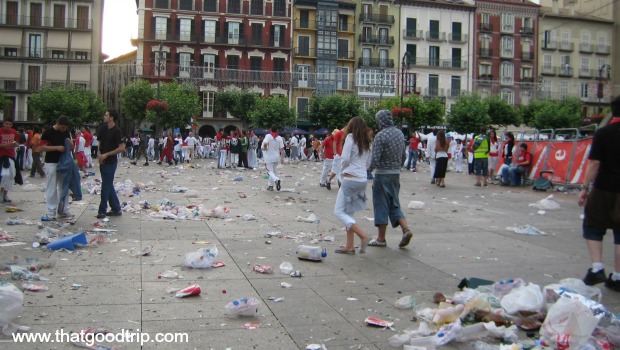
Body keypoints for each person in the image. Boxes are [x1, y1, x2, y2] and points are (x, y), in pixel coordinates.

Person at [579, 95, 620, 291]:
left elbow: (595, 163)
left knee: (593, 225)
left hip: (604, 187)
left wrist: (585, 188)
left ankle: (597, 268)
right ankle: (618, 276)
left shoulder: (604, 133)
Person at [368, 110, 413, 248]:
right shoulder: (400, 133)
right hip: (395, 174)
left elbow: (375, 158)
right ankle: (406, 229)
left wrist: (367, 170)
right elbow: (403, 156)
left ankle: (381, 239)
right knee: (394, 203)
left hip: (382, 174)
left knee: (381, 204)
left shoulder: (381, 136)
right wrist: (397, 167)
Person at [333, 117, 371, 254]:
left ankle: (363, 235)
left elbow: (345, 158)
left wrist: (342, 170)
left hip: (351, 179)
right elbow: (368, 163)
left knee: (338, 211)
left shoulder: (350, 138)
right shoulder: (367, 141)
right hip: (362, 179)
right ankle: (349, 246)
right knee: (349, 213)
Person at [40, 116, 72, 220]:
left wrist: (71, 144)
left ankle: (63, 210)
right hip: (51, 162)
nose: (64, 129)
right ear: (57, 124)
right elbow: (42, 147)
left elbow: (69, 145)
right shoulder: (48, 132)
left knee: (64, 187)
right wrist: (57, 148)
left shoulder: (66, 132)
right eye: (62, 127)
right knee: (51, 187)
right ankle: (50, 211)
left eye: (65, 128)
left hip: (63, 162)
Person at [96, 110, 125, 219]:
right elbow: (99, 143)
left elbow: (121, 147)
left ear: (112, 118)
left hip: (111, 162)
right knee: (108, 185)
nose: (104, 116)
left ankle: (102, 210)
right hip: (102, 160)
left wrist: (106, 155)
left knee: (105, 187)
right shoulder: (103, 128)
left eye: (106, 115)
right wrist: (100, 155)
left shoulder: (117, 131)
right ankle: (116, 208)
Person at [0, 118, 20, 203]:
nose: (8, 125)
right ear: (3, 123)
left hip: (10, 156)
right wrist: (8, 144)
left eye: (10, 124)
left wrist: (15, 144)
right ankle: (1, 194)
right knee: (3, 176)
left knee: (11, 175)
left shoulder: (14, 132)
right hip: (1, 156)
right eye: (6, 124)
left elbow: (17, 143)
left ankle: (5, 194)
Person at [262, 125, 284, 191]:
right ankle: (270, 186)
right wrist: (282, 158)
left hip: (269, 157)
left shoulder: (268, 136)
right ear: (277, 130)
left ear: (270, 129)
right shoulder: (279, 138)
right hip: (277, 157)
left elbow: (265, 143)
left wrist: (265, 148)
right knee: (273, 171)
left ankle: (276, 180)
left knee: (269, 171)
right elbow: (282, 149)